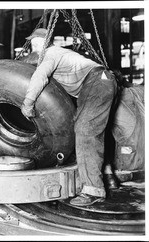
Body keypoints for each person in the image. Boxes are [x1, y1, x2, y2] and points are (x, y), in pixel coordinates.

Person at [21, 28, 118, 206]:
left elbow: (40, 76)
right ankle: (108, 175)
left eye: (37, 41)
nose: (33, 44)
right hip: (99, 82)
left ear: (47, 42)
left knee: (85, 130)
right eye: (32, 41)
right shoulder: (59, 55)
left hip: (97, 81)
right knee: (95, 129)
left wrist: (27, 103)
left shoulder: (51, 54)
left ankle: (93, 190)